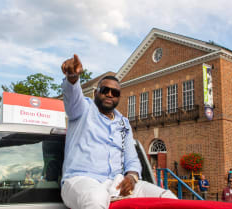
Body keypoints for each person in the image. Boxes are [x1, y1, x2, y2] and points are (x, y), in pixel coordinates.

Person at [60, 54, 177, 209]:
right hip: (80, 181)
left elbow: (132, 159)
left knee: (167, 198)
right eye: (105, 90)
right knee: (96, 199)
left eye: (115, 93)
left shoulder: (124, 123)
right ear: (96, 93)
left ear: (118, 98)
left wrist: (132, 177)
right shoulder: (83, 110)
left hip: (116, 184)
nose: (110, 94)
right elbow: (73, 98)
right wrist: (72, 77)